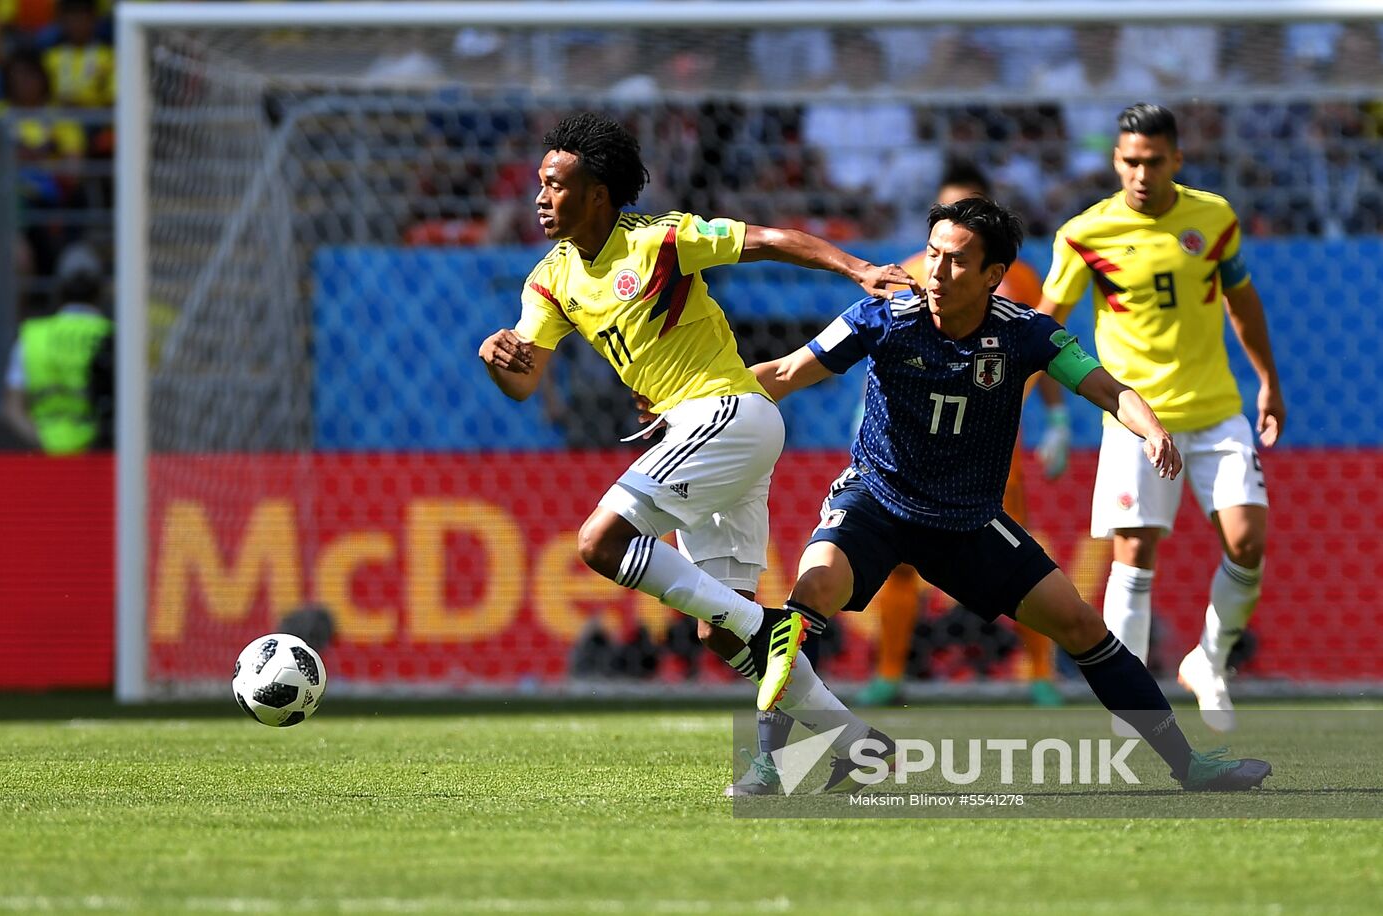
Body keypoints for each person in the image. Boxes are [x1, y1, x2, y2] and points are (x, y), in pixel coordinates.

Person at [749, 196, 1271, 791]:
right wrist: (709, 405)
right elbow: (786, 373)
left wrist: (1151, 428)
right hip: (877, 500)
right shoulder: (882, 318)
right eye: (933, 256)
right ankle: (768, 763)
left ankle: (1189, 766)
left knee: (1081, 624)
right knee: (809, 593)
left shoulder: (1024, 333)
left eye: (956, 262)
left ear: (994, 275)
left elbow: (1104, 385)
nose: (937, 273)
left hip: (968, 521)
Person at [477, 112, 915, 794]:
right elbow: (524, 380)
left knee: (601, 543)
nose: (539, 197)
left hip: (726, 416)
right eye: (539, 183)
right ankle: (857, 746)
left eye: (555, 185)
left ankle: (767, 628)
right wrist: (496, 357)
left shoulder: (660, 241)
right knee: (720, 636)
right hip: (699, 435)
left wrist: (856, 267)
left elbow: (769, 240)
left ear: (597, 195)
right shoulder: (550, 279)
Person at [1037, 104, 1285, 733]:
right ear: (1116, 162)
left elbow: (1243, 303)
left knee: (1248, 542)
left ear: (1176, 159)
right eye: (1129, 161)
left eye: (1153, 161)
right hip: (1134, 416)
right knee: (1134, 552)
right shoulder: (1084, 234)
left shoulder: (1213, 217)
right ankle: (1130, 705)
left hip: (1216, 410)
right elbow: (1045, 327)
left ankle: (1208, 658)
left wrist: (1269, 383)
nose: (1141, 173)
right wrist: (1058, 412)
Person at [856, 158, 1068, 709]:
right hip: (913, 446)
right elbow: (876, 359)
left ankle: (1041, 674)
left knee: (1015, 556)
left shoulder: (1018, 280)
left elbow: (1043, 352)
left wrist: (1058, 421)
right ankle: (889, 672)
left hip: (990, 446)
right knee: (897, 559)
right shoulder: (908, 273)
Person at [4, 242, 113, 453]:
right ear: (100, 291)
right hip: (101, 457)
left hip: (47, 454)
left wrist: (44, 442)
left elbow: (12, 409)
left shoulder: (32, 336)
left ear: (59, 288)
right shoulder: (114, 336)